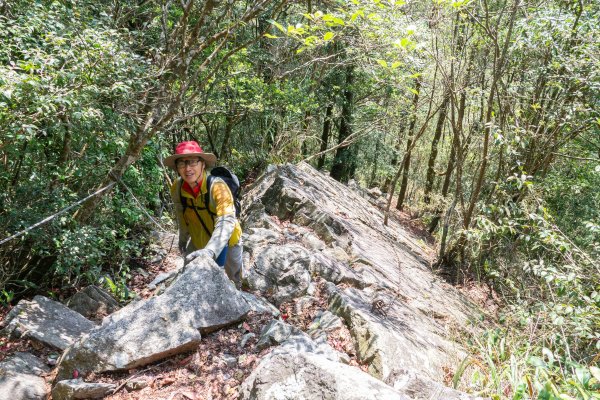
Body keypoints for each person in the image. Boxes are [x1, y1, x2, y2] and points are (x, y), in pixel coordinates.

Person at [165, 141, 243, 287]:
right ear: (177, 168)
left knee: (233, 278)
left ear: (203, 164)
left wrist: (210, 251)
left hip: (228, 240)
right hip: (198, 240)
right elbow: (181, 213)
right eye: (182, 164)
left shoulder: (218, 187)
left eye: (193, 162)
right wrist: (183, 237)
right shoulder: (177, 187)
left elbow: (226, 221)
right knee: (190, 279)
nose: (187, 169)